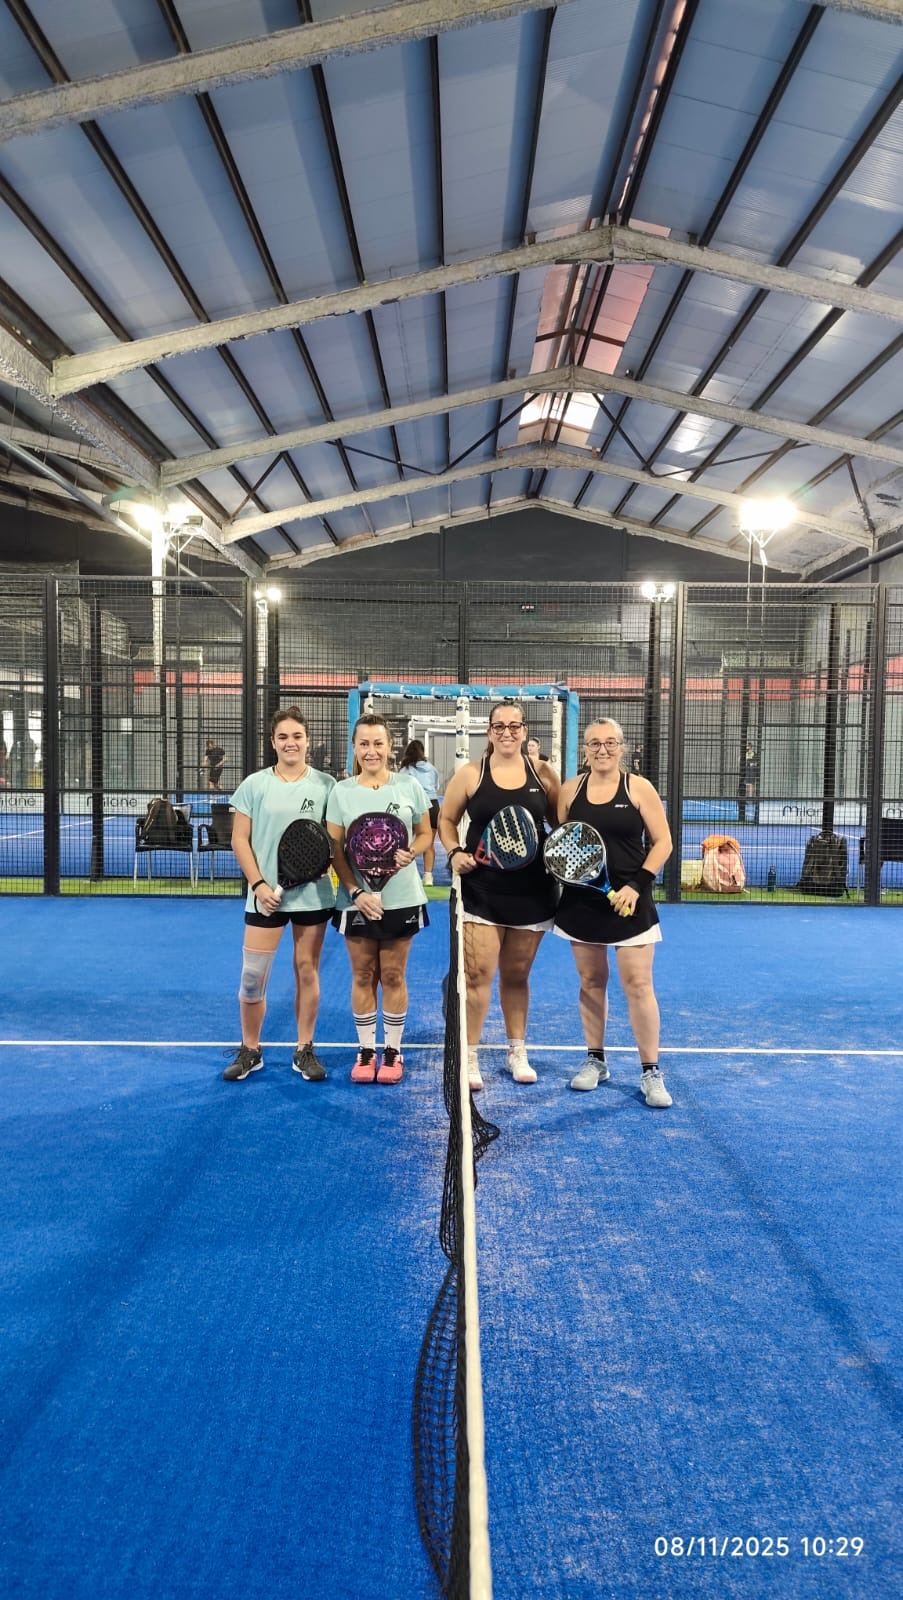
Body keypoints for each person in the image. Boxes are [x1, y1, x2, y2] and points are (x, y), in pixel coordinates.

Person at [438, 700, 559, 1091]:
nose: (507, 732)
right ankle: (470, 1055)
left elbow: (558, 824)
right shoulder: (471, 774)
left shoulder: (543, 774)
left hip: (533, 892)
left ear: (524, 731)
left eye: (514, 726)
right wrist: (454, 852)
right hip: (482, 890)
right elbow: (446, 820)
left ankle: (516, 1051)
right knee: (477, 975)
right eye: (499, 726)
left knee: (517, 975)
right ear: (489, 732)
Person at [554, 717, 673, 1108]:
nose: (602, 749)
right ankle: (596, 1060)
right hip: (582, 902)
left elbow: (663, 843)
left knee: (638, 984)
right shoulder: (570, 790)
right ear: (585, 749)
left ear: (622, 747)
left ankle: (650, 1071)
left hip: (632, 902)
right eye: (594, 743)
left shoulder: (638, 787)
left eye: (610, 742)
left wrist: (635, 886)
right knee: (591, 980)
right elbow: (564, 842)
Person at [223, 708, 335, 1083]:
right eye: (283, 737)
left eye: (297, 736)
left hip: (312, 897)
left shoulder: (326, 785)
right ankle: (250, 1050)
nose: (291, 743)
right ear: (272, 742)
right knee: (252, 977)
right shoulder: (254, 785)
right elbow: (240, 839)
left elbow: (332, 839)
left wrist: (325, 863)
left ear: (307, 741)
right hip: (264, 897)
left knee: (307, 971)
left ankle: (305, 1048)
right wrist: (258, 885)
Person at [326, 713, 432, 1085]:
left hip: (402, 898)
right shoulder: (341, 792)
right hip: (355, 901)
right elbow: (336, 850)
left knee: (392, 974)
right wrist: (356, 892)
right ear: (354, 748)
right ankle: (366, 1049)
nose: (371, 751)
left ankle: (392, 1050)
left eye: (378, 743)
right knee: (363, 974)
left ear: (389, 747)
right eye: (364, 744)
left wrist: (412, 852)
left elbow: (425, 833)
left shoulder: (409, 786)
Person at [399, 739, 441, 885]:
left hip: (414, 806)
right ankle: (428, 877)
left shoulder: (405, 770)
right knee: (428, 843)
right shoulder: (432, 768)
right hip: (433, 805)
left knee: (406, 842)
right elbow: (436, 786)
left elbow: (400, 790)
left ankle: (405, 876)